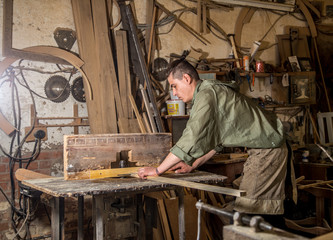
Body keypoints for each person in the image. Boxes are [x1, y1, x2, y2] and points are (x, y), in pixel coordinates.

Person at [138, 59, 290, 216]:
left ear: (186, 78)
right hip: (268, 148)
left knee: (250, 212)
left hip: (268, 150)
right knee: (259, 211)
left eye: (174, 86)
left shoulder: (207, 94)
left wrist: (158, 170)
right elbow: (218, 140)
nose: (174, 93)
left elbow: (191, 137)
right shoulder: (209, 91)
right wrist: (193, 164)